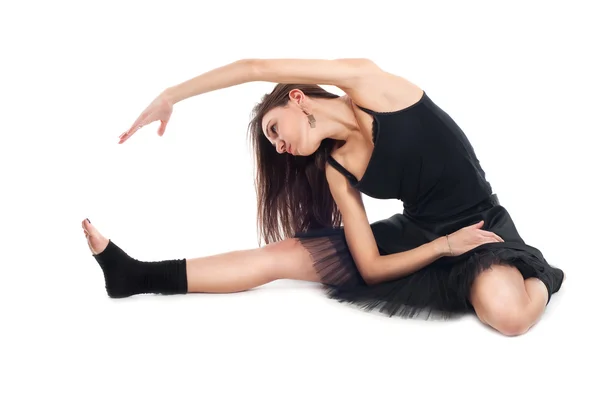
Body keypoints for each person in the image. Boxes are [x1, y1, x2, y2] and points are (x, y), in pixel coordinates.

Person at [83, 58, 564, 336]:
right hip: (424, 236)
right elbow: (372, 266)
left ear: (295, 97)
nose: (279, 146)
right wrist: (440, 247)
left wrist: (174, 93)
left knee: (510, 317)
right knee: (285, 254)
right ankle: (136, 275)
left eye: (274, 131)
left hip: (480, 225)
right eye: (273, 146)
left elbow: (255, 66)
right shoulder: (338, 168)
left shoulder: (368, 83)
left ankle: (537, 269)